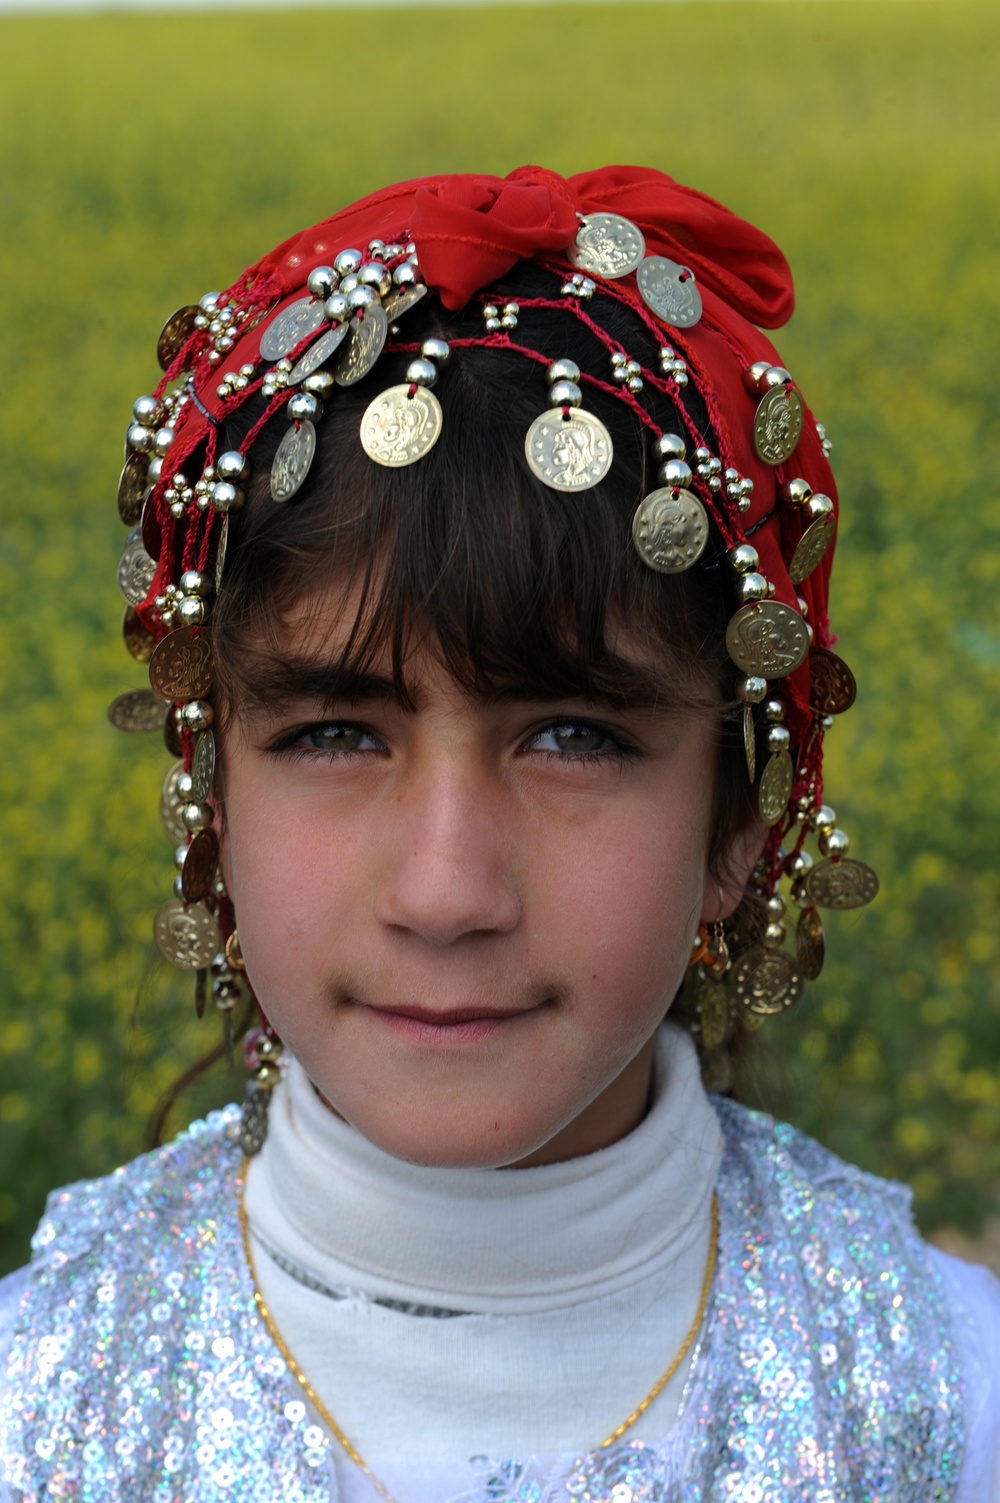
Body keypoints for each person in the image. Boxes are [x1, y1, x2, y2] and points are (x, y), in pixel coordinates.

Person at [1, 165, 997, 1502]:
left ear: (741, 822)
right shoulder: (37, 1403)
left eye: (574, 737)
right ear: (214, 799)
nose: (446, 890)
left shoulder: (956, 1408)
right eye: (335, 734)